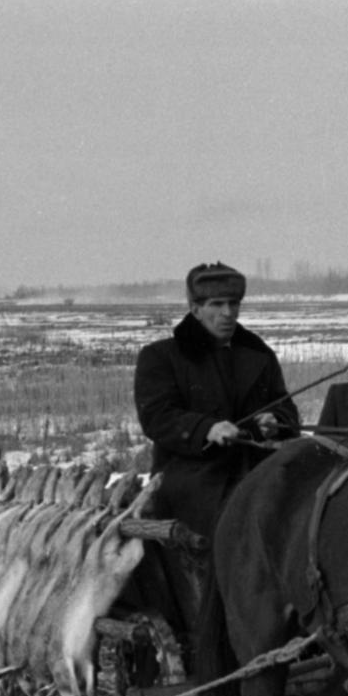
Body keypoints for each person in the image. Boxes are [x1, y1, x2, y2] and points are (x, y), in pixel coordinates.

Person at [130, 261, 299, 631]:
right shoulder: (161, 357)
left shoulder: (257, 354)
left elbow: (287, 409)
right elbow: (156, 416)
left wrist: (276, 423)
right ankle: (221, 630)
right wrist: (205, 428)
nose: (228, 314)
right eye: (216, 305)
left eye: (234, 305)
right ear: (195, 309)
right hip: (191, 480)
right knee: (221, 550)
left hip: (255, 472)